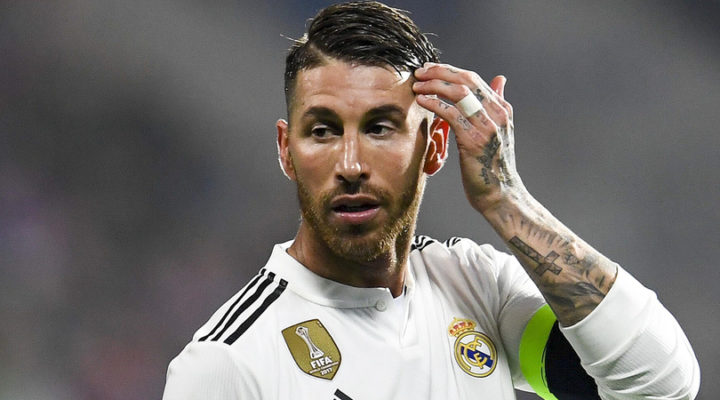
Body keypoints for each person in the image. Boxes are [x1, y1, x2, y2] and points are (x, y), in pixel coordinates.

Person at [162, 2, 700, 399]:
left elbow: (661, 386)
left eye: (380, 128)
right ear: (286, 150)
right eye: (323, 131)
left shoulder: (474, 287)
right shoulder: (227, 363)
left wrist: (507, 201)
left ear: (436, 146)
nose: (350, 164)